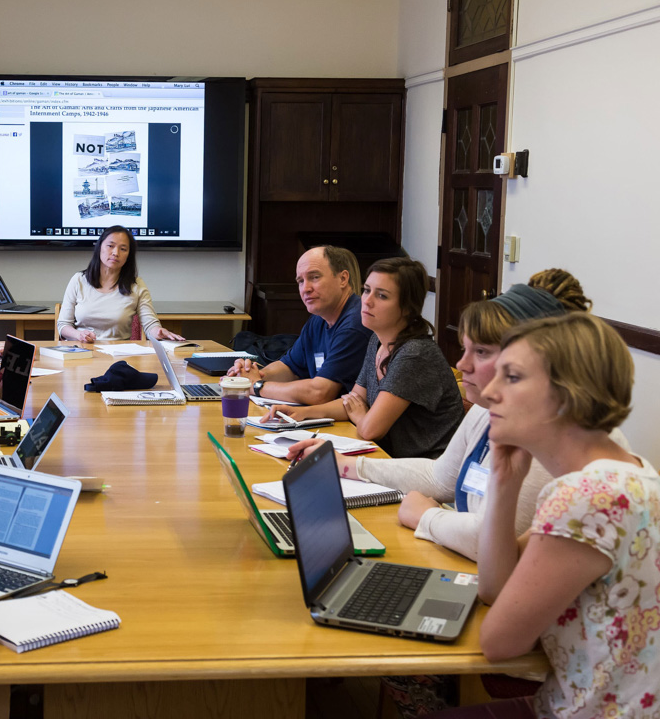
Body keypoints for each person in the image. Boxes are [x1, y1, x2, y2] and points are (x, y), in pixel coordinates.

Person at [284, 269, 627, 562]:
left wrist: (426, 516)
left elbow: (493, 542)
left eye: (481, 352)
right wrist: (347, 464)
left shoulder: (552, 437)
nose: (461, 366)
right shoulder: (487, 411)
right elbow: (440, 477)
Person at [429, 313, 658, 719]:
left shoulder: (587, 495)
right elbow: (495, 588)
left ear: (568, 394)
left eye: (512, 377)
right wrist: (503, 481)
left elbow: (499, 643)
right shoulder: (623, 471)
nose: (492, 391)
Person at [265, 257, 463, 458]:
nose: (366, 301)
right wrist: (304, 413)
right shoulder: (377, 342)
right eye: (367, 290)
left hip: (426, 469)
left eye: (382, 296)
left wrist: (360, 415)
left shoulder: (415, 354)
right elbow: (354, 400)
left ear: (407, 307)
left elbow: (370, 429)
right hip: (388, 456)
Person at [225, 245, 373, 405]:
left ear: (343, 279)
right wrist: (249, 375)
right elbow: (290, 368)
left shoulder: (356, 323)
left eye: (315, 277)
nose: (305, 289)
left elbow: (320, 393)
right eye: (301, 281)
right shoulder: (319, 319)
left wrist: (257, 385)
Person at [56, 227, 185, 342]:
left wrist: (158, 331)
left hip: (119, 355)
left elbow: (150, 325)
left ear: (128, 255)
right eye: (110, 246)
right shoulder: (79, 279)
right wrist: (78, 335)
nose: (116, 253)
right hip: (81, 350)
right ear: (99, 247)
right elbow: (63, 325)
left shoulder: (136, 285)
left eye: (123, 249)